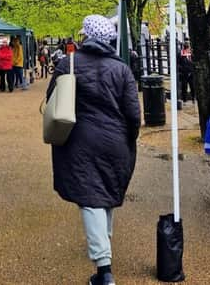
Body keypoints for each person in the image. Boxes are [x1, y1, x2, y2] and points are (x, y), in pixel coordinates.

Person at [47, 14, 140, 285]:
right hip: (115, 141)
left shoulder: (68, 64)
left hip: (80, 141)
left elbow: (52, 100)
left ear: (86, 35)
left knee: (90, 198)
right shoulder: (121, 69)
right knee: (105, 192)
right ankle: (104, 248)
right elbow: (134, 114)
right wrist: (128, 138)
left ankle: (104, 270)